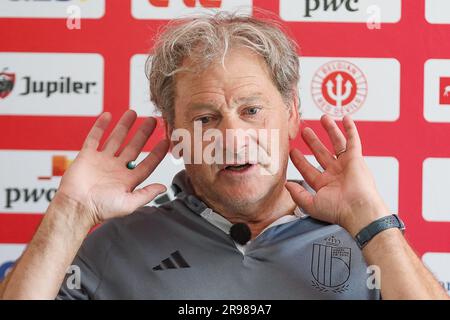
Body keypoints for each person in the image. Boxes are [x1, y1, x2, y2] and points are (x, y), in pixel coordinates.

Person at [1, 12, 447, 300]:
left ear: (292, 115)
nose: (232, 137)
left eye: (252, 110)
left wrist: (371, 221)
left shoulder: (367, 242)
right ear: (175, 134)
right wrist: (70, 213)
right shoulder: (113, 247)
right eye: (205, 119)